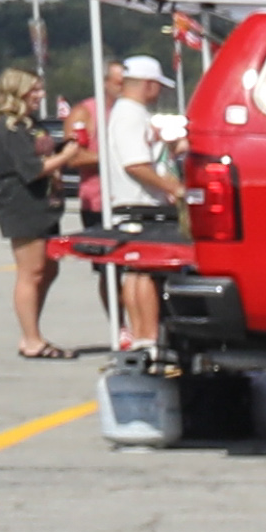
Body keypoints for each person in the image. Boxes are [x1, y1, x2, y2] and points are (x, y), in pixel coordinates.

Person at [0, 65, 76, 357]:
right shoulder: (10, 127)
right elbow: (32, 169)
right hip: (22, 203)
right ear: (17, 91)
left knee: (49, 267)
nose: (40, 95)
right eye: (35, 90)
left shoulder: (32, 123)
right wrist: (65, 157)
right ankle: (31, 340)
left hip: (45, 204)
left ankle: (33, 330)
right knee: (31, 271)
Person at [92, 53, 183, 356]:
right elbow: (135, 164)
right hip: (139, 204)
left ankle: (142, 335)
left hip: (137, 202)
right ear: (148, 85)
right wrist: (174, 187)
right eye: (157, 86)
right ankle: (147, 335)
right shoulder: (130, 114)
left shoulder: (130, 113)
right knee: (143, 270)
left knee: (135, 269)